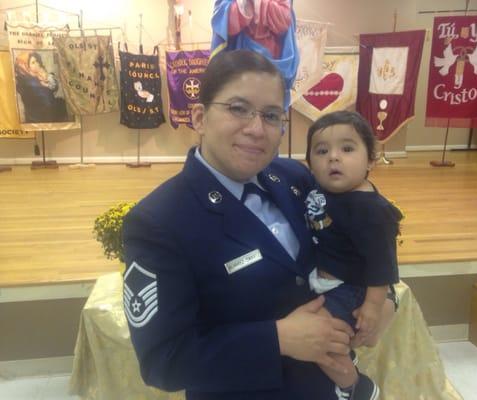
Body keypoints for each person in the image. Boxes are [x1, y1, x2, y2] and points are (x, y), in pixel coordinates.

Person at [122, 50, 355, 400]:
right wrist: (277, 339)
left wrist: (384, 299)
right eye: (238, 108)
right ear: (199, 118)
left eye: (271, 115)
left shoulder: (295, 178)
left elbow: (348, 241)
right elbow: (163, 361)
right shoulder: (160, 221)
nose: (256, 129)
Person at [304, 110, 402, 400]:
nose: (333, 158)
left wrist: (372, 306)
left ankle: (355, 387)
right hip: (324, 280)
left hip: (350, 288)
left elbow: (382, 265)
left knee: (318, 339)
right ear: (310, 163)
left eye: (347, 149)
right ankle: (347, 356)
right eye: (322, 151)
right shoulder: (327, 189)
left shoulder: (371, 210)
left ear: (371, 159)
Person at [14, 51, 69, 123]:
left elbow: (54, 88)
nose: (37, 64)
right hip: (40, 117)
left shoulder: (39, 75)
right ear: (25, 66)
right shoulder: (27, 82)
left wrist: (47, 78)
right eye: (33, 62)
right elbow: (44, 98)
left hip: (49, 114)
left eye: (37, 61)